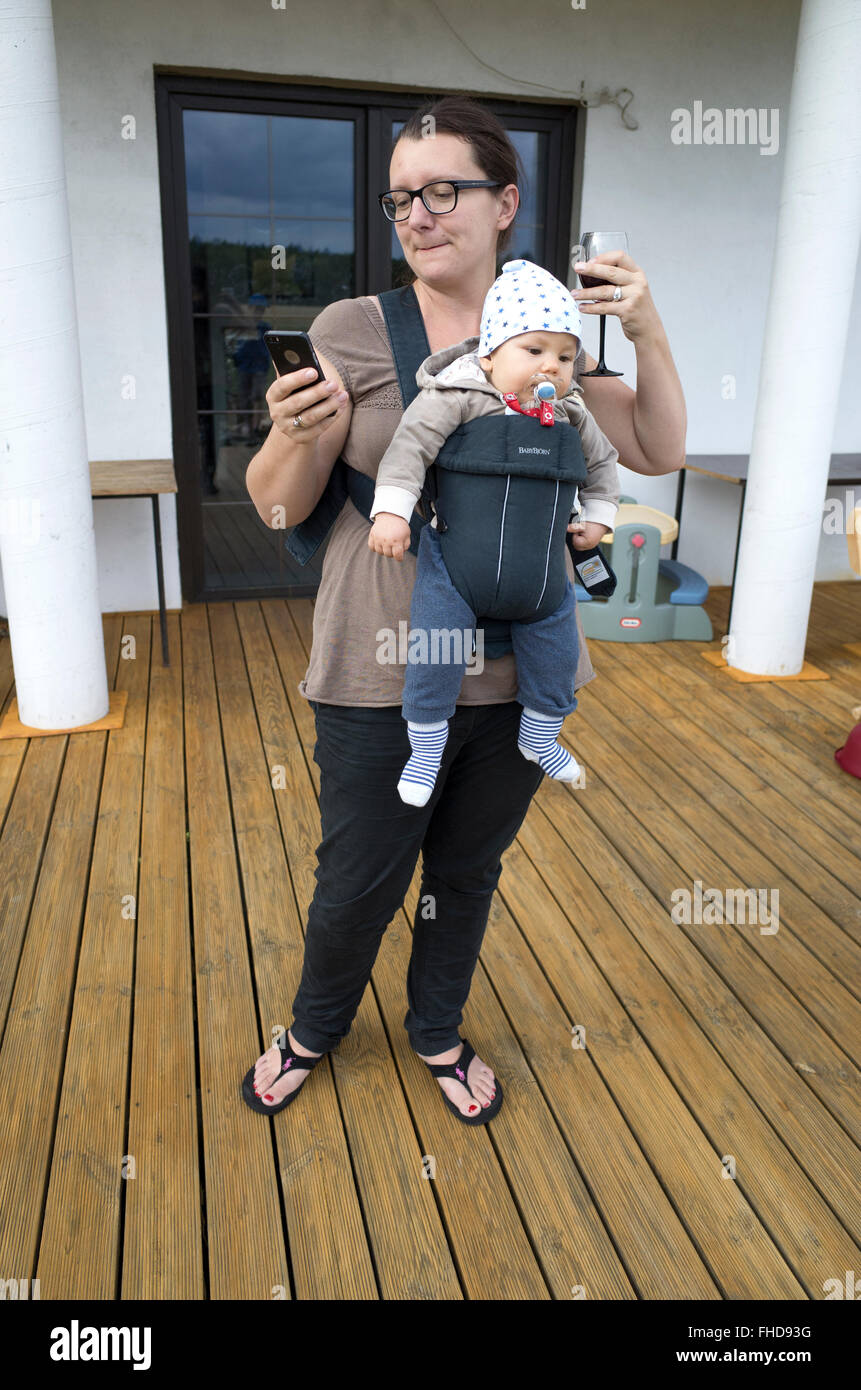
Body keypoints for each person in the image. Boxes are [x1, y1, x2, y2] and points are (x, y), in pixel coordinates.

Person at [243, 94, 687, 1124]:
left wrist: (648, 328)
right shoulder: (354, 329)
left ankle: (436, 1027)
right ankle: (315, 1025)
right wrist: (294, 431)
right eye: (402, 196)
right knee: (359, 872)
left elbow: (658, 447)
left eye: (445, 189)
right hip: (378, 663)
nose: (418, 213)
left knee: (467, 870)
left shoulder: (551, 339)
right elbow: (278, 505)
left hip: (521, 664)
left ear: (506, 203)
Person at [367, 257, 620, 806]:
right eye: (534, 351)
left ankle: (541, 735)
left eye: (565, 356)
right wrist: (391, 511)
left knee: (556, 651)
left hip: (541, 578)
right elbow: (409, 450)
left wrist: (599, 515)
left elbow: (602, 466)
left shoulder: (573, 414)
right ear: (489, 353)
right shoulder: (455, 397)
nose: (551, 367)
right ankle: (426, 749)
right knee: (436, 651)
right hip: (457, 568)